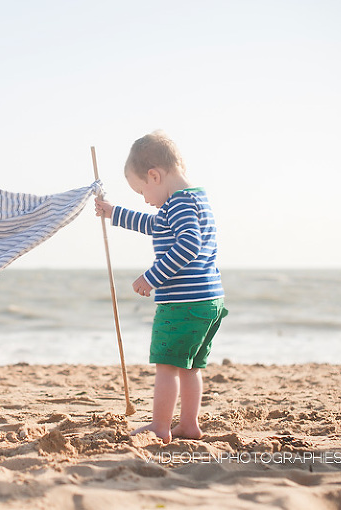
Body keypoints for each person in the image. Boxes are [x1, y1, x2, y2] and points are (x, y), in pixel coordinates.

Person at [94, 131, 227, 444]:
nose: (144, 199)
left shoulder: (178, 204)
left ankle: (160, 426)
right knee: (190, 368)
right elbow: (154, 225)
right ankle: (189, 425)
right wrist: (114, 212)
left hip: (183, 303)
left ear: (154, 175)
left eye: (141, 190)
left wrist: (151, 277)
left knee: (166, 367)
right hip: (208, 301)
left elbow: (188, 245)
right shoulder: (193, 199)